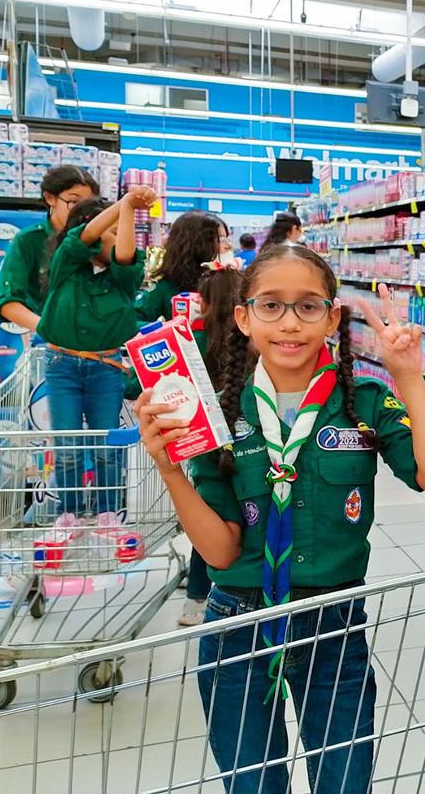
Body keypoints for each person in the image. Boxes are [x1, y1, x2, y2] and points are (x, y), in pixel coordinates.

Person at [135, 244, 425, 794]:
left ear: (333, 317)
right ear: (243, 317)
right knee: (252, 781)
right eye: (271, 306)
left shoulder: (365, 402)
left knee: (344, 778)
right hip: (237, 620)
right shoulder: (220, 413)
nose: (289, 323)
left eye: (308, 307)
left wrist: (410, 377)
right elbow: (220, 553)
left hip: (333, 618)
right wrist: (169, 471)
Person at [38, 186, 156, 516]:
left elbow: (126, 256)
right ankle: (69, 515)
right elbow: (86, 234)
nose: (120, 238)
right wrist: (123, 203)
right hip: (61, 367)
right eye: (113, 231)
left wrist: (130, 210)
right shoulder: (66, 266)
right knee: (68, 447)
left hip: (106, 368)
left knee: (108, 446)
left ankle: (107, 514)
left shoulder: (124, 280)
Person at [176, 257, 246, 627]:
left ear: (202, 301)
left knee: (209, 519)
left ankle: (195, 599)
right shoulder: (249, 340)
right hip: (246, 439)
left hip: (203, 443)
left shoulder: (190, 338)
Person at [0, 166, 101, 334]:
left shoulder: (98, 239)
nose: (82, 212)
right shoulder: (29, 240)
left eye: (89, 205)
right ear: (50, 198)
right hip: (45, 337)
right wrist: (50, 329)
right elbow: (8, 303)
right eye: (74, 202)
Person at [135, 211, 227, 323]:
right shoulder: (166, 285)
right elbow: (135, 320)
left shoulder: (227, 279)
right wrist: (166, 331)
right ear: (199, 245)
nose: (228, 246)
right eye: (220, 239)